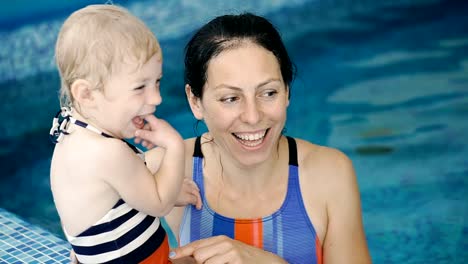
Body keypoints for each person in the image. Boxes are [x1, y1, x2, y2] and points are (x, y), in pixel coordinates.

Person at [163, 13, 372, 263]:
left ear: (287, 91)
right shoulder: (167, 170)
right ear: (195, 101)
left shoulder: (328, 173)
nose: (252, 117)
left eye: (268, 92)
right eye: (230, 98)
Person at [50, 4, 200, 263]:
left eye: (157, 82)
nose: (156, 98)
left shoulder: (74, 136)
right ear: (86, 94)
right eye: (140, 87)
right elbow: (160, 205)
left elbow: (86, 207)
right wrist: (173, 145)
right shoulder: (108, 152)